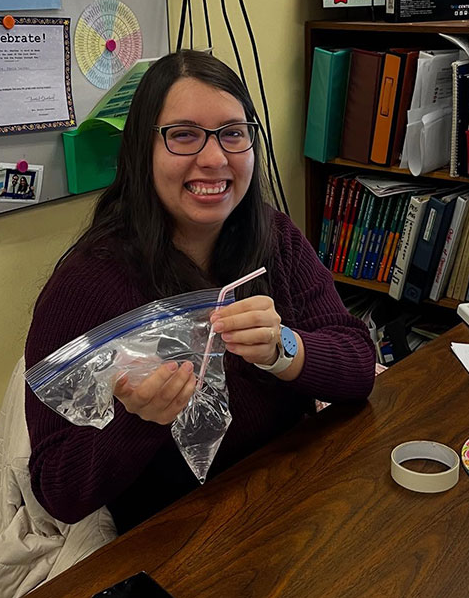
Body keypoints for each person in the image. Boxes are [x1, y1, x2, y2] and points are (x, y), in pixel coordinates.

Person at [25, 51, 375, 536]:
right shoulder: (86, 285)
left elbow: (359, 366)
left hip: (296, 505)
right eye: (183, 135)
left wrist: (282, 349)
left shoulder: (273, 237)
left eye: (233, 133)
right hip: (176, 542)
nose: (214, 158)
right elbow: (56, 490)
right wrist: (139, 420)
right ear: (141, 151)